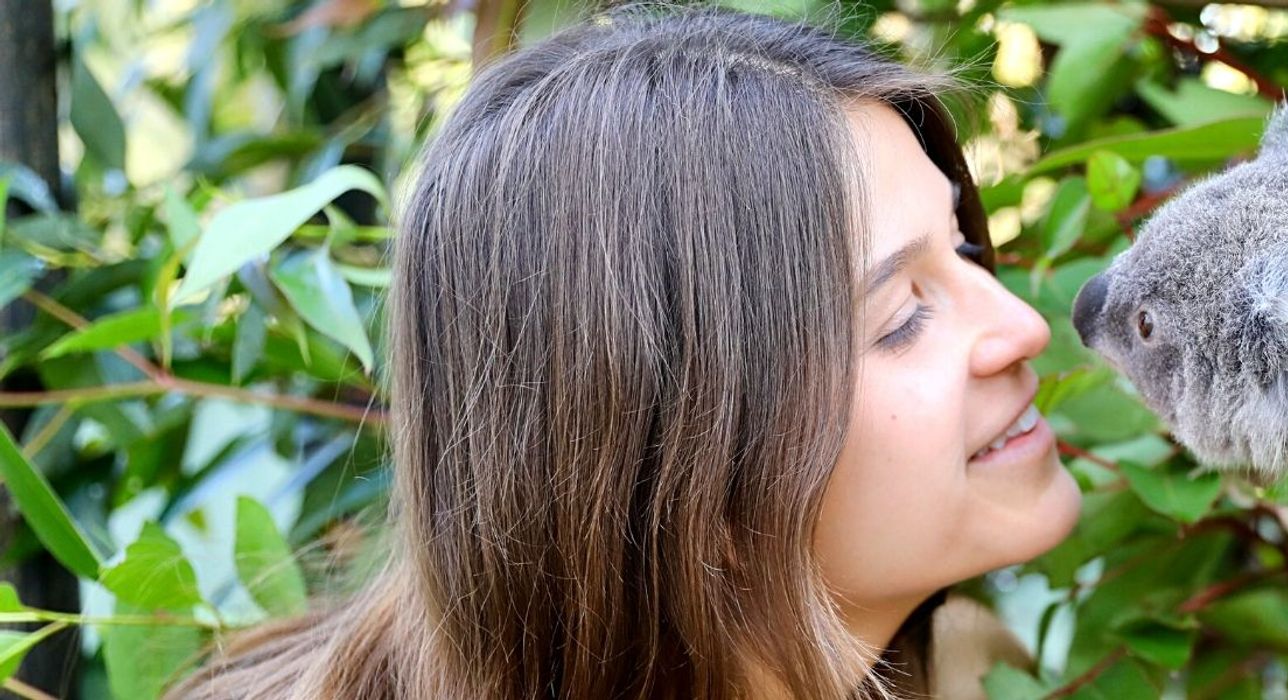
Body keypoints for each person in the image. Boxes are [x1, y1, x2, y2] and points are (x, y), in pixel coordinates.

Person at [172, 6, 1080, 698]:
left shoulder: (968, 667)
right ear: (671, 461)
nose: (1023, 326)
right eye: (899, 318)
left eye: (962, 251)